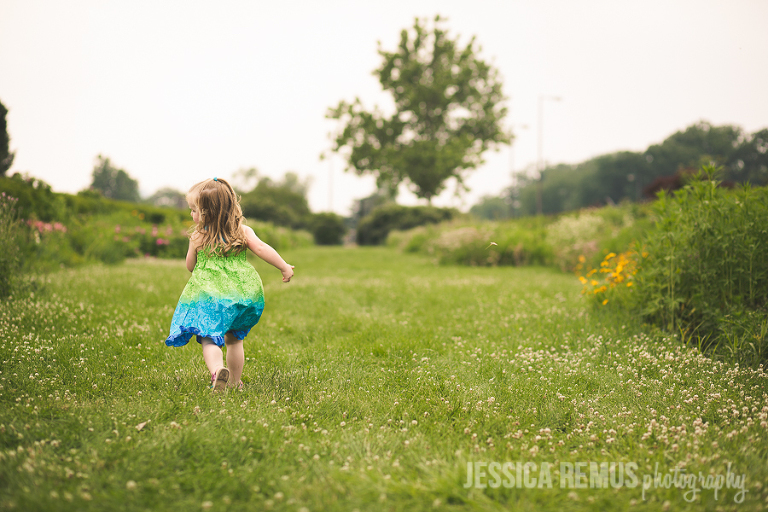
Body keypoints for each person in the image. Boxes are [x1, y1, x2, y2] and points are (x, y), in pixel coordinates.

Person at [165, 177, 294, 391]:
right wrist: (284, 267)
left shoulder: (198, 236)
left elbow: (190, 266)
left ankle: (217, 371)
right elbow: (262, 248)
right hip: (242, 293)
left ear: (207, 212)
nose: (192, 214)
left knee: (209, 338)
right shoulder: (242, 231)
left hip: (211, 296)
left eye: (194, 210)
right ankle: (234, 381)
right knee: (234, 340)